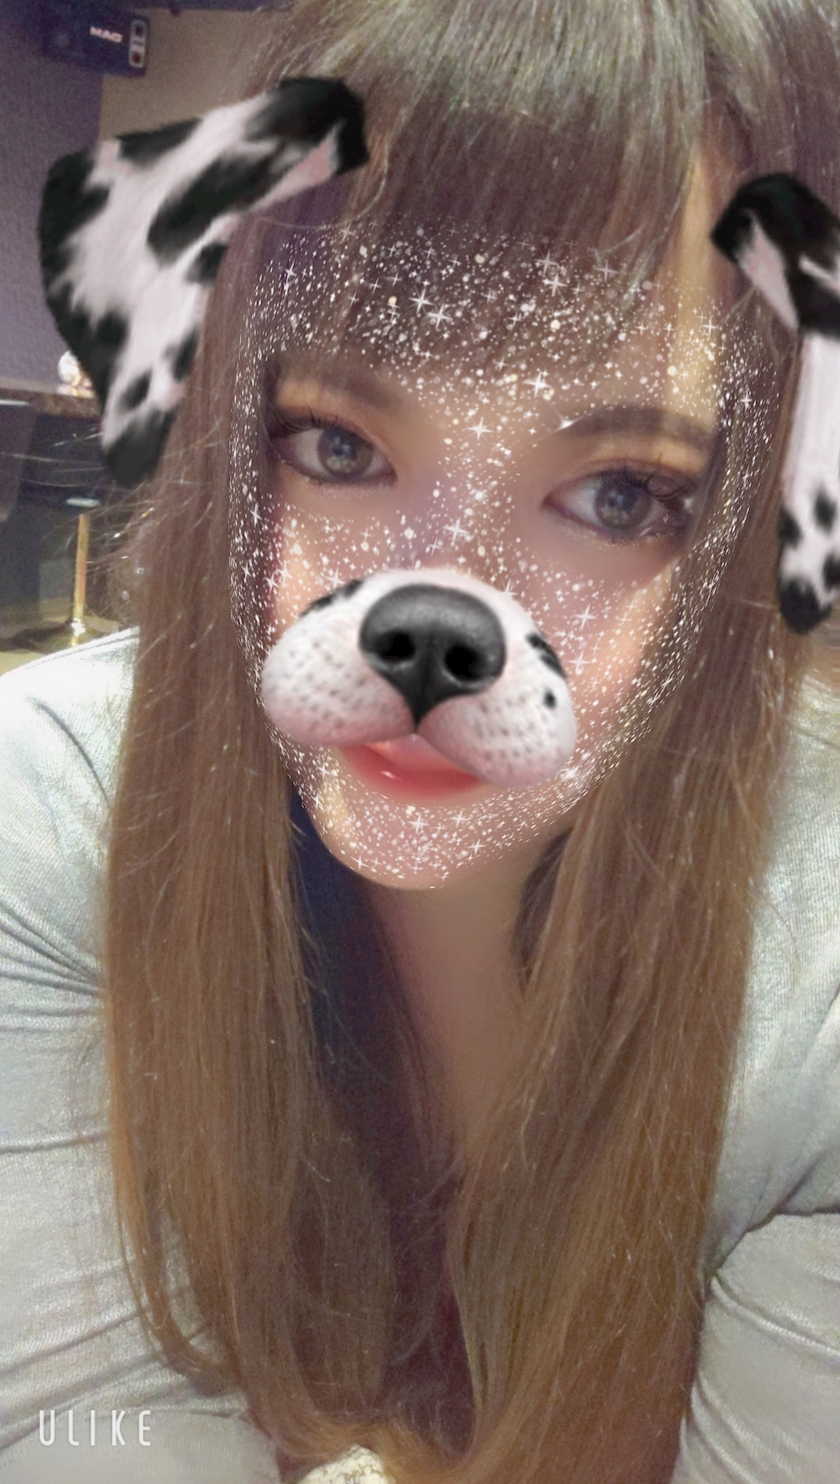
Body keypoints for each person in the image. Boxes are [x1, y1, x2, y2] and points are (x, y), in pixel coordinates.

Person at [1, 1, 839, 1482]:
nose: (439, 614)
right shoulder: (59, 807)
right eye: (341, 446)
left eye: (622, 495)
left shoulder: (816, 994)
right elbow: (83, 1427)